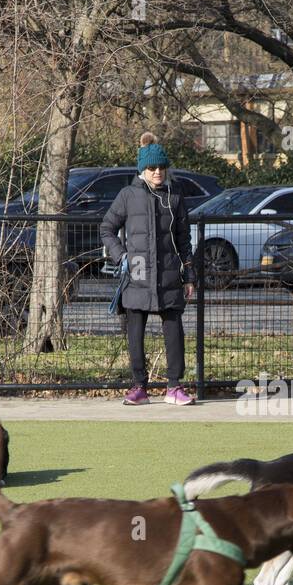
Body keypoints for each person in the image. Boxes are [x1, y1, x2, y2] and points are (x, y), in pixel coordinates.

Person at [100, 131, 196, 405]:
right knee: (135, 332)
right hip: (138, 272)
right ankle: (139, 387)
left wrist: (189, 275)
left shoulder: (175, 196)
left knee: (174, 330)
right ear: (142, 170)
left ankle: (175, 387)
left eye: (161, 167)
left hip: (169, 272)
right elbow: (107, 228)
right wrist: (121, 255)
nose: (157, 173)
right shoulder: (128, 195)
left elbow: (184, 239)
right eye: (152, 168)